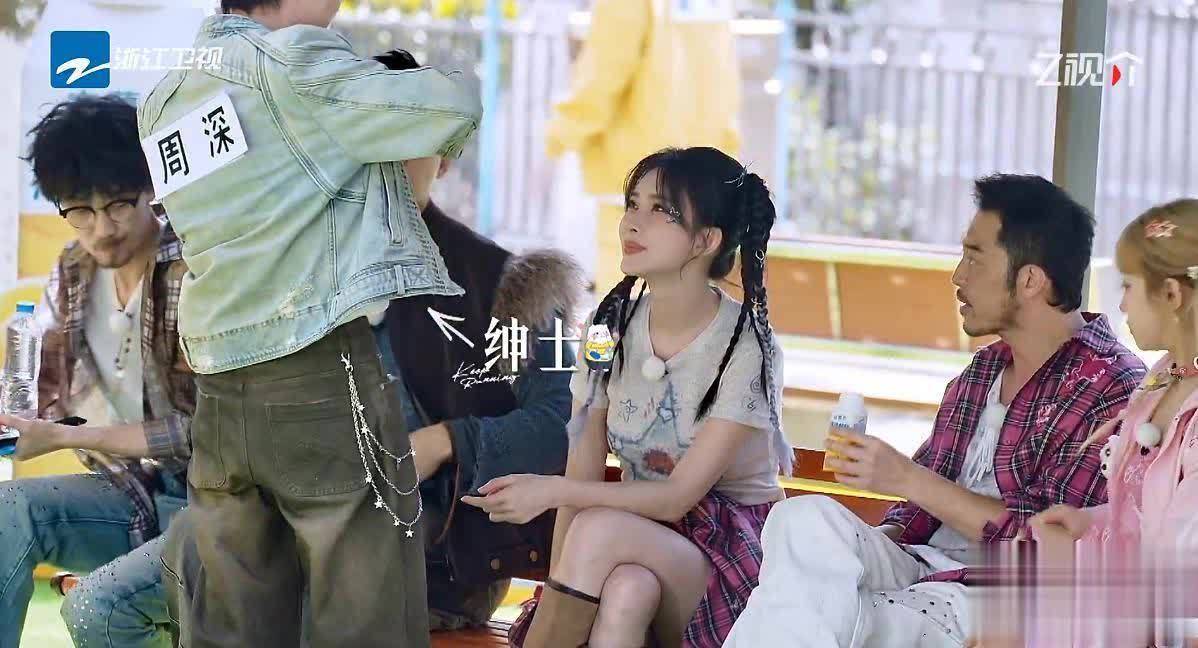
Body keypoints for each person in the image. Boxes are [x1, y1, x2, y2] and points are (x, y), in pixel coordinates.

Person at [137, 0, 482, 645]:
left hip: (221, 385)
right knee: (365, 613)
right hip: (319, 369)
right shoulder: (294, 58)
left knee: (232, 621)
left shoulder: (168, 93)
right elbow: (450, 105)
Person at [723, 174, 1147, 648]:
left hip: (996, 596)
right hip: (921, 565)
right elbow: (917, 510)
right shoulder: (983, 371)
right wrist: (861, 551)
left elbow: (1041, 545)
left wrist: (906, 478)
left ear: (1029, 280)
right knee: (801, 522)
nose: (958, 276)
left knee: (839, 614)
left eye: (975, 258)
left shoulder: (1112, 389)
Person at [463, 146, 790, 648]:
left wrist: (550, 492)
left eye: (660, 210)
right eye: (632, 204)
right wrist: (558, 581)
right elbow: (583, 469)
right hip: (631, 541)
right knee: (627, 591)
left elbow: (677, 497)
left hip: (733, 564)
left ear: (706, 240)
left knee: (599, 532)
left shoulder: (747, 348)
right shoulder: (606, 330)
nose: (631, 223)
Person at [370, 49, 583, 631]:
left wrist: (445, 440)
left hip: (437, 564)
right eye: (370, 133)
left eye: (410, 134)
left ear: (444, 154)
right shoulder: (301, 271)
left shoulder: (511, 286)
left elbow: (557, 419)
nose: (386, 155)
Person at [0, 94, 193, 648]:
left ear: (152, 189)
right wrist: (21, 421)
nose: (101, 227)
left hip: (224, 504)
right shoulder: (74, 270)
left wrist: (66, 436)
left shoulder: (194, 268)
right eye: (80, 210)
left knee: (95, 606)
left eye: (118, 205)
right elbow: (40, 388)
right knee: (8, 513)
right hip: (135, 491)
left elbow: (210, 430)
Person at [1005, 199, 1198, 647]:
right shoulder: (1162, 380)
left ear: (1172, 295)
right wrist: (1088, 522)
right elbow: (1146, 514)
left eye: (1129, 286)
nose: (1122, 304)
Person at [545, 0, 741, 291]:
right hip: (701, 176)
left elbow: (604, 76)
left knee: (627, 301)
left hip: (635, 174)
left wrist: (560, 135)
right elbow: (725, 77)